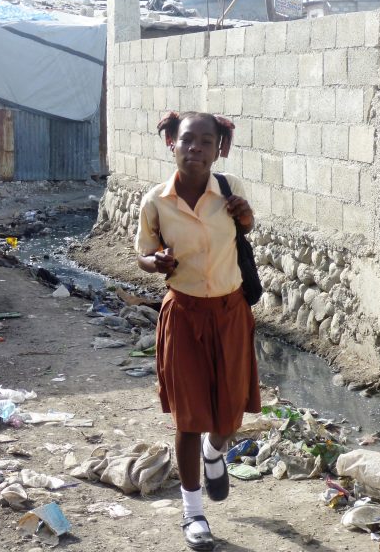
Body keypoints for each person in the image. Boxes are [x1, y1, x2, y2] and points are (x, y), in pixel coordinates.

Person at [135, 111, 261, 550]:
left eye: (206, 142)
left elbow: (244, 231)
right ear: (172, 142)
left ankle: (215, 453)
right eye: (188, 140)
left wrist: (245, 219)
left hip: (230, 312)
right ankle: (193, 515)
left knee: (229, 414)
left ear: (218, 147)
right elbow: (144, 255)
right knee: (188, 419)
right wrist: (157, 262)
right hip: (184, 316)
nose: (196, 149)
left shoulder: (229, 190)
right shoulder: (156, 201)